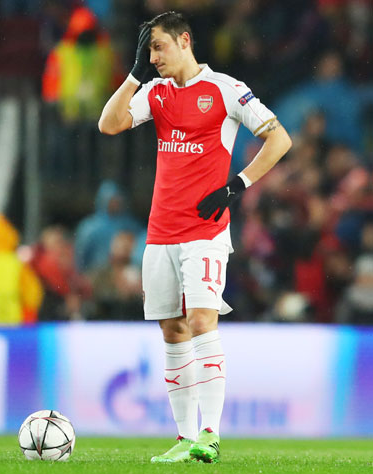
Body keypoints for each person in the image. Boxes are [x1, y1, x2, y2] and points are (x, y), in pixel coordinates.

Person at [98, 12, 292, 463]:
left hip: (204, 231)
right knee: (172, 329)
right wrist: (133, 76)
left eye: (159, 48)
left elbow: (279, 138)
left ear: (185, 41)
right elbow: (108, 124)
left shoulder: (225, 89)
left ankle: (211, 433)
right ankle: (185, 438)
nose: (154, 58)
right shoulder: (156, 92)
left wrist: (236, 186)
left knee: (203, 320)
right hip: (160, 231)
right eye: (148, 52)